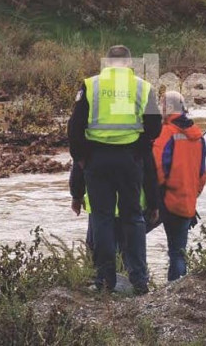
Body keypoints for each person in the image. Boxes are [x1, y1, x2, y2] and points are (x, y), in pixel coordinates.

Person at [68, 45, 161, 294]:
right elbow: (155, 128)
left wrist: (82, 159)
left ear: (107, 63)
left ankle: (104, 280)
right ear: (130, 63)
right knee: (133, 218)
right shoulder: (143, 87)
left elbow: (74, 128)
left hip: (97, 160)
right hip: (130, 159)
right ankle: (139, 280)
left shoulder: (90, 85)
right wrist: (139, 149)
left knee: (102, 218)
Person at [153, 91, 206, 281]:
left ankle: (134, 282)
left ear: (167, 108)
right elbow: (202, 174)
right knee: (179, 251)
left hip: (167, 199)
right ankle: (178, 289)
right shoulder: (198, 136)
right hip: (187, 201)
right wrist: (192, 193)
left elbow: (158, 167)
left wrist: (154, 194)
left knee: (131, 237)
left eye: (162, 105)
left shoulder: (166, 132)